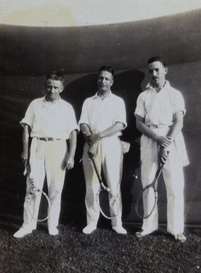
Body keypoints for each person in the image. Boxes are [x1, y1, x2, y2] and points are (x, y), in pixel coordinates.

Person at [13, 71, 78, 238]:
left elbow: (72, 133)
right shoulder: (35, 104)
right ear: (45, 86)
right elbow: (26, 127)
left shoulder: (67, 107)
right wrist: (26, 150)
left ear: (61, 88)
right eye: (49, 86)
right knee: (33, 186)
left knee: (56, 188)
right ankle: (28, 225)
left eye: (55, 87)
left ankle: (52, 225)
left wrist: (71, 155)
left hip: (58, 146)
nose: (52, 90)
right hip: (37, 146)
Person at [134, 57, 189, 242]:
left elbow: (178, 121)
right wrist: (156, 138)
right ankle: (149, 226)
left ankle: (176, 229)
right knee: (148, 182)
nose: (154, 74)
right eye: (151, 71)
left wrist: (166, 143)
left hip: (171, 139)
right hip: (150, 139)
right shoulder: (143, 96)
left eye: (157, 70)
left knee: (175, 186)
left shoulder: (175, 94)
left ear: (166, 70)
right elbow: (139, 124)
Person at [79, 66, 129, 235]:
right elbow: (83, 123)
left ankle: (116, 223)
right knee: (91, 186)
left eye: (107, 79)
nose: (103, 81)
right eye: (101, 78)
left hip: (111, 144)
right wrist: (89, 137)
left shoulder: (118, 101)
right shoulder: (88, 101)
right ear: (97, 80)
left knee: (114, 185)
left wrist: (98, 136)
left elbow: (120, 124)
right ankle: (91, 222)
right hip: (91, 144)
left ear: (112, 82)